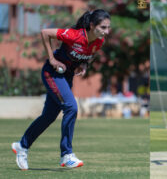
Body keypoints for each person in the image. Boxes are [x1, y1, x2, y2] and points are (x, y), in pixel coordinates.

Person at [11, 9, 111, 170]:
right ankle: (66, 154)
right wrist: (51, 58)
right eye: (103, 27)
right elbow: (45, 33)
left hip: (66, 77)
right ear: (92, 25)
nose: (107, 32)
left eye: (108, 28)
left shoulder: (98, 42)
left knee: (48, 117)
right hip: (52, 74)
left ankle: (22, 146)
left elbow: (88, 55)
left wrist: (84, 64)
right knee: (71, 107)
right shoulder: (74, 35)